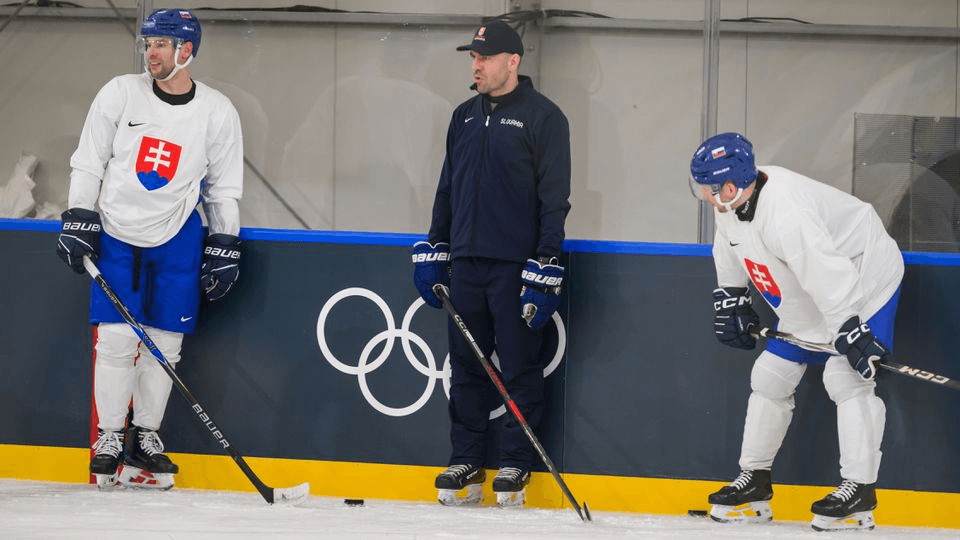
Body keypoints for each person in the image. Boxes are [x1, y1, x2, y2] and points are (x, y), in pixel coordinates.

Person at [56, 8, 244, 490]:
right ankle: (110, 437)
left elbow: (224, 187)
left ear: (187, 51)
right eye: (149, 43)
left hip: (178, 235)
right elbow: (89, 159)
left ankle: (146, 437)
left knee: (165, 346)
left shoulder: (217, 110)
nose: (151, 52)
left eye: (162, 43)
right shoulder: (120, 92)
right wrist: (80, 214)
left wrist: (225, 241)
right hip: (117, 231)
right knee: (117, 342)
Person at [689, 132, 903, 531]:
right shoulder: (729, 203)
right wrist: (731, 296)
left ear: (730, 186)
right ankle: (754, 481)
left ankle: (859, 491)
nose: (703, 194)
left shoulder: (786, 212)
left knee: (848, 378)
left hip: (862, 276)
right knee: (770, 377)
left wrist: (849, 330)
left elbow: (826, 271)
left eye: (706, 186)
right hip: (810, 286)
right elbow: (730, 247)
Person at [411, 20, 571, 507]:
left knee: (520, 364)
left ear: (512, 62)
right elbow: (447, 187)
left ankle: (515, 462)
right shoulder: (462, 115)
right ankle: (466, 459)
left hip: (516, 267)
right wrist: (436, 245)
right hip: (466, 262)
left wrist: (545, 264)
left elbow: (554, 199)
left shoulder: (545, 117)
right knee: (465, 365)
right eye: (472, 57)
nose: (475, 65)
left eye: (483, 57)